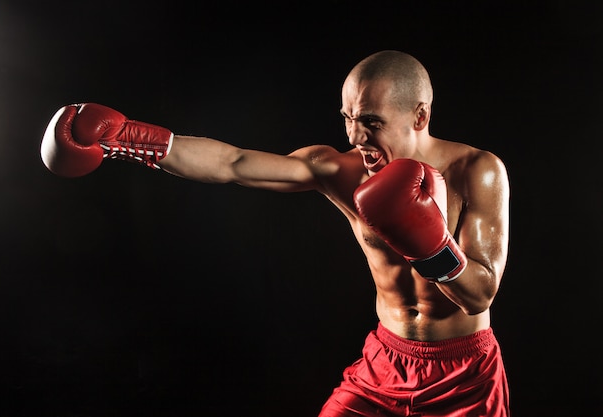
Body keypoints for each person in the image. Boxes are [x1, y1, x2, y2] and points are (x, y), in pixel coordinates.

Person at [40, 50, 510, 416]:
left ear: (420, 117)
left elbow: (479, 295)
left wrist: (430, 244)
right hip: (386, 361)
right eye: (348, 118)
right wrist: (128, 137)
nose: (356, 138)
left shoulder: (478, 171)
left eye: (372, 123)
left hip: (465, 374)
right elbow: (233, 164)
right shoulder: (340, 170)